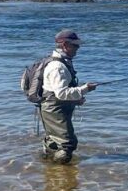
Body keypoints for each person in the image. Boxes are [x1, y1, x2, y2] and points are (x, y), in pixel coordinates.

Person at [40, 29, 97, 163]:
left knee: (53, 140)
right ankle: (61, 175)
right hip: (54, 110)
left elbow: (56, 92)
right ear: (65, 45)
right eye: (75, 45)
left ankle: (49, 169)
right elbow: (61, 93)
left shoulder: (60, 62)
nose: (78, 48)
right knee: (68, 144)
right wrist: (85, 89)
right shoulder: (57, 67)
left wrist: (75, 100)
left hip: (52, 107)